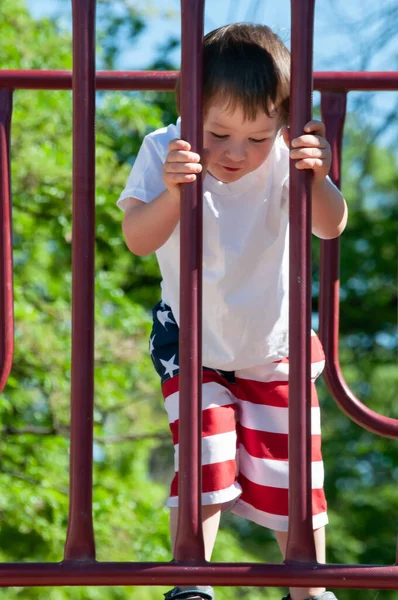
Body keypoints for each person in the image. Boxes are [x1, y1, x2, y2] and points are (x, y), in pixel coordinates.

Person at [117, 23, 347, 600]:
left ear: (284, 125)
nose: (235, 153)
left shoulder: (289, 160)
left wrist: (316, 176)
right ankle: (193, 577)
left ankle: (308, 585)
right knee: (205, 455)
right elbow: (139, 240)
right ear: (187, 111)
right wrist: (172, 192)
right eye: (217, 133)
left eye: (259, 137)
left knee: (293, 470)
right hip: (194, 344)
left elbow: (331, 224)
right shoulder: (162, 150)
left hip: (274, 344)